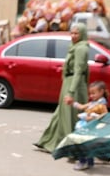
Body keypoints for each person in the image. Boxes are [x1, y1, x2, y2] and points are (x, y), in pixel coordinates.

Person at [34, 22, 89, 153]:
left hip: (73, 86)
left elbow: (78, 71)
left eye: (77, 33)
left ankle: (70, 147)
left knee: (69, 117)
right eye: (72, 33)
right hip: (68, 82)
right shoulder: (74, 46)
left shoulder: (81, 48)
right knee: (60, 114)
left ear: (82, 34)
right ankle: (47, 141)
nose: (73, 36)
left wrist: (71, 92)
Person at [72, 81, 109, 171]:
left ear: (101, 92)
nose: (91, 96)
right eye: (90, 93)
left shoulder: (101, 104)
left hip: (91, 127)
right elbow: (81, 107)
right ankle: (89, 162)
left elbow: (105, 115)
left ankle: (83, 162)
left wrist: (93, 118)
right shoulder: (93, 103)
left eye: (93, 93)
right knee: (86, 144)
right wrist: (72, 102)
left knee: (83, 144)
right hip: (86, 126)